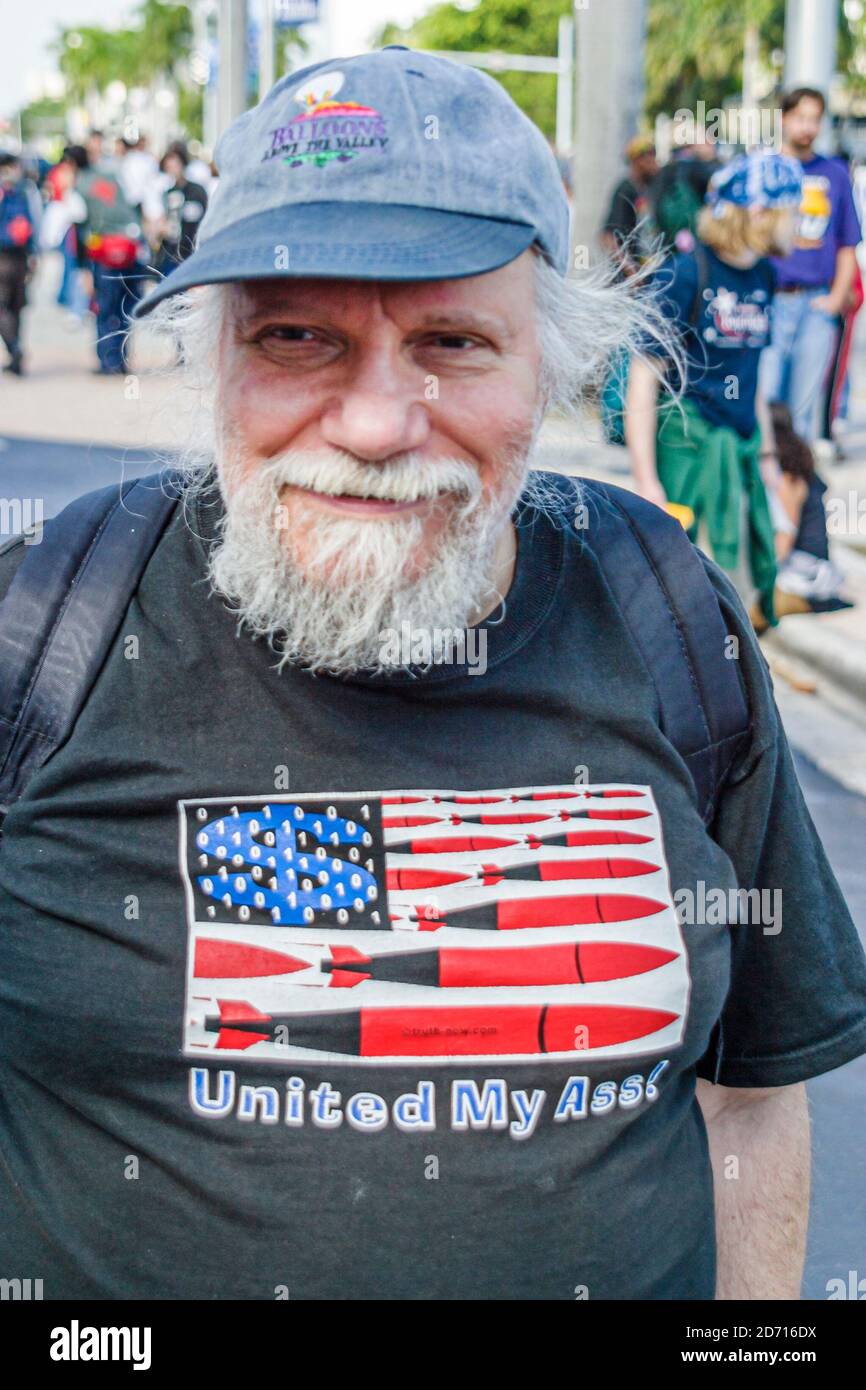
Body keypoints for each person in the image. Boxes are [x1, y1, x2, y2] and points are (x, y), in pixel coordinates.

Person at [1, 48, 865, 1304]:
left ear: (552, 367)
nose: (374, 423)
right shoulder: (42, 622)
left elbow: (747, 1101)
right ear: (212, 359)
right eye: (297, 336)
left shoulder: (669, 615)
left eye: (452, 341)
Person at [626, 150, 803, 626]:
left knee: (729, 592)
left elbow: (755, 374)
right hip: (688, 448)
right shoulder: (683, 274)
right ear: (759, 212)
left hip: (739, 450)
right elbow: (642, 378)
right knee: (679, 591)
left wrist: (767, 458)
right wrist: (647, 482)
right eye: (791, 211)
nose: (798, 225)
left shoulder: (764, 273)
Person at [759, 88, 862, 442]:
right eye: (801, 117)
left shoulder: (834, 173)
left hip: (817, 302)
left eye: (815, 119)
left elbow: (848, 244)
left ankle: (794, 489)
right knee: (765, 398)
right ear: (784, 118)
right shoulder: (765, 169)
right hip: (772, 299)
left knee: (802, 409)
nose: (808, 127)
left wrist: (836, 298)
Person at [77, 149, 146, 374]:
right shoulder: (130, 178)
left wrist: (83, 267)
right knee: (125, 308)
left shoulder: (84, 184)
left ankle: (108, 361)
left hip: (103, 252)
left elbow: (79, 223)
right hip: (130, 249)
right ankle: (122, 358)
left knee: (105, 308)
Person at [0, 152, 36, 375]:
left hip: (7, 257)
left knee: (7, 307)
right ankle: (16, 352)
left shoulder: (18, 193)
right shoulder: (22, 192)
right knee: (14, 307)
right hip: (18, 257)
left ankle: (15, 349)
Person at [600, 135, 658, 273]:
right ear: (635, 160)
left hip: (649, 272)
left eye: (653, 154)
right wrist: (628, 268)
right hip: (631, 279)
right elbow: (607, 237)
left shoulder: (650, 187)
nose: (651, 160)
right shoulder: (625, 189)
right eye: (646, 155)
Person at [153, 146, 208, 274]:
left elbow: (200, 217)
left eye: (175, 166)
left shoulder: (196, 191)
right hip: (171, 251)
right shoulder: (168, 192)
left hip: (191, 251)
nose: (172, 170)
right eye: (168, 167)